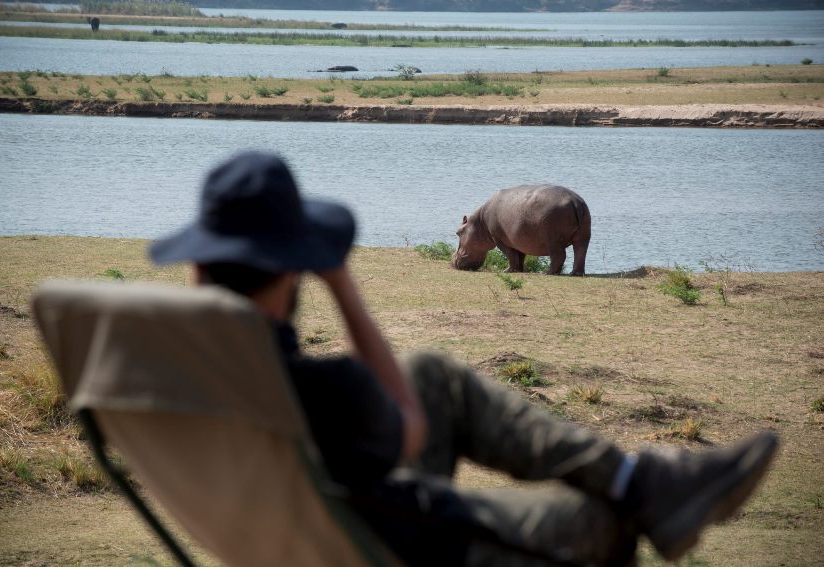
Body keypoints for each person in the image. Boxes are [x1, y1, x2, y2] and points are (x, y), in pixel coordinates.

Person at [149, 152, 778, 566]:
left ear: (197, 268)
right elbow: (410, 432)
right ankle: (637, 487)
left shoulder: (162, 373)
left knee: (430, 371)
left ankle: (634, 481)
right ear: (297, 267)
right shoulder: (324, 387)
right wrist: (341, 284)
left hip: (295, 520)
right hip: (382, 540)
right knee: (604, 521)